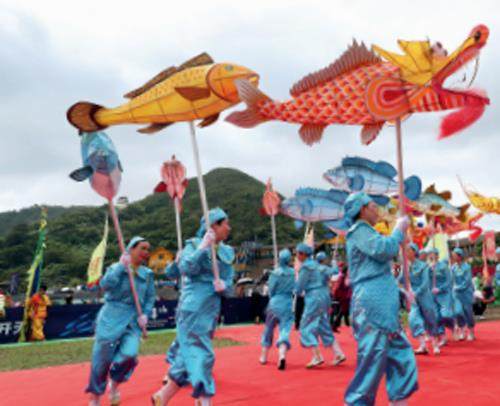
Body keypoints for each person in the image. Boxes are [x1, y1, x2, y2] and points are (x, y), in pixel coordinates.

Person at [152, 208, 234, 406]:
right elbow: (186, 268)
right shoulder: (193, 245)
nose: (229, 228)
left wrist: (224, 286)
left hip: (211, 308)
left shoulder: (227, 252)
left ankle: (163, 396)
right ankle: (205, 399)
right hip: (193, 306)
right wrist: (203, 247)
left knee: (189, 352)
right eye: (225, 224)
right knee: (202, 353)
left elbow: (230, 282)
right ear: (213, 225)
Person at [342, 192, 418, 406]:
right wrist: (398, 231)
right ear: (362, 209)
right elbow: (383, 250)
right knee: (372, 358)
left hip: (383, 302)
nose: (377, 210)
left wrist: (401, 292)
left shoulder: (368, 232)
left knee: (401, 356)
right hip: (372, 303)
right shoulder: (359, 231)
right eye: (373, 206)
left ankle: (399, 401)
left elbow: (380, 268)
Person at [86, 236, 155, 406]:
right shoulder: (116, 267)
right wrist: (120, 266)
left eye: (148, 249)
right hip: (111, 316)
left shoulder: (147, 274)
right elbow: (105, 285)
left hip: (133, 319)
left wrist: (145, 314)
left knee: (129, 355)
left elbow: (149, 297)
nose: (146, 252)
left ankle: (115, 384)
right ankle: (95, 397)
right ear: (131, 249)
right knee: (102, 359)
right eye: (142, 248)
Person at [295, 244, 345, 369]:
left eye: (297, 253)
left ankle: (317, 356)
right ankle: (338, 353)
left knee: (305, 326)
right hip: (324, 295)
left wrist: (296, 291)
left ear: (303, 254)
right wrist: (334, 263)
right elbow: (334, 272)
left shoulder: (306, 267)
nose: (296, 256)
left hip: (314, 297)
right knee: (323, 325)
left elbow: (299, 287)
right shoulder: (320, 266)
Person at [259, 248, 295, 370]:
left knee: (268, 329)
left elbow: (271, 290)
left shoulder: (275, 273)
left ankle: (264, 356)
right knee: (284, 330)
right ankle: (282, 355)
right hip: (287, 303)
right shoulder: (293, 273)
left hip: (274, 303)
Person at [406, 243, 440, 355]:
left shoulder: (424, 266)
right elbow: (401, 279)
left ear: (414, 252)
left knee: (430, 319)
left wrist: (416, 293)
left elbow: (425, 283)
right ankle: (422, 345)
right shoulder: (406, 267)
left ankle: (435, 344)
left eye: (409, 250)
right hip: (414, 298)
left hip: (424, 295)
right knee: (413, 319)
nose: (406, 252)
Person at [428, 248, 455, 347]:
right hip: (433, 295)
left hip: (444, 294)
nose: (432, 256)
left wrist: (440, 288)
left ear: (437, 255)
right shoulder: (429, 267)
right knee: (437, 317)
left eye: (434, 254)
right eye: (430, 254)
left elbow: (449, 281)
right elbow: (426, 280)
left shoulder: (443, 266)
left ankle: (453, 325)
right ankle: (443, 337)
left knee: (446, 315)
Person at [451, 248, 475, 341]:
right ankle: (462, 330)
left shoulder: (467, 267)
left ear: (459, 256)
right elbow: (451, 280)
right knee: (458, 312)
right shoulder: (453, 267)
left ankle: (471, 331)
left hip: (466, 293)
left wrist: (458, 287)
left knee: (468, 312)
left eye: (454, 255)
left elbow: (467, 281)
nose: (453, 256)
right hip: (456, 294)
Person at [331, 262, 351, 332]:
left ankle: (335, 325)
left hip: (344, 296)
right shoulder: (342, 277)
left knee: (343, 311)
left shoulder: (343, 277)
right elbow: (338, 287)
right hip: (343, 296)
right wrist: (336, 295)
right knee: (342, 311)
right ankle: (334, 325)